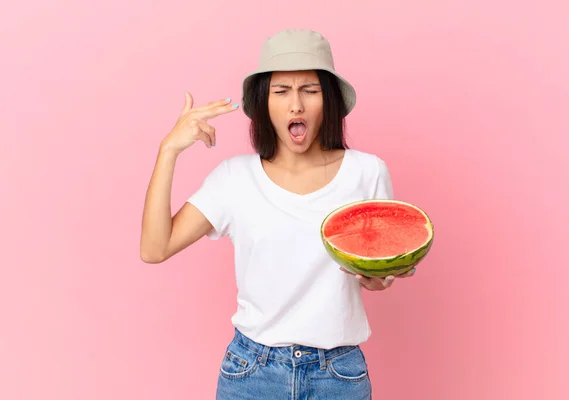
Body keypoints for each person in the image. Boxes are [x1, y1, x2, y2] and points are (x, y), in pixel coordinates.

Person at [140, 29, 416, 400]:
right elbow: (154, 249)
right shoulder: (234, 178)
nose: (295, 106)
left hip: (339, 375)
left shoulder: (367, 173)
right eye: (281, 91)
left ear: (329, 101)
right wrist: (168, 150)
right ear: (264, 102)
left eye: (310, 90)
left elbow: (376, 276)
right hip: (251, 372)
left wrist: (380, 277)